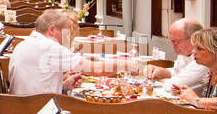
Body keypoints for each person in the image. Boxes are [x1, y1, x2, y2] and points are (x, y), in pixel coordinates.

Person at [9, 10, 141, 97]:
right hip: (41, 113)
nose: (67, 39)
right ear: (51, 30)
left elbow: (37, 81)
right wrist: (128, 64)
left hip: (20, 110)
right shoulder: (50, 47)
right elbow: (97, 69)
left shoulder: (21, 45)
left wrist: (63, 86)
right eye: (66, 33)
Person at [144, 18, 209, 94]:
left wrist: (155, 80)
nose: (172, 45)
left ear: (193, 38)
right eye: (171, 41)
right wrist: (159, 71)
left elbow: (173, 87)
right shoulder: (184, 52)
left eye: (176, 41)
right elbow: (177, 72)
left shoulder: (203, 59)